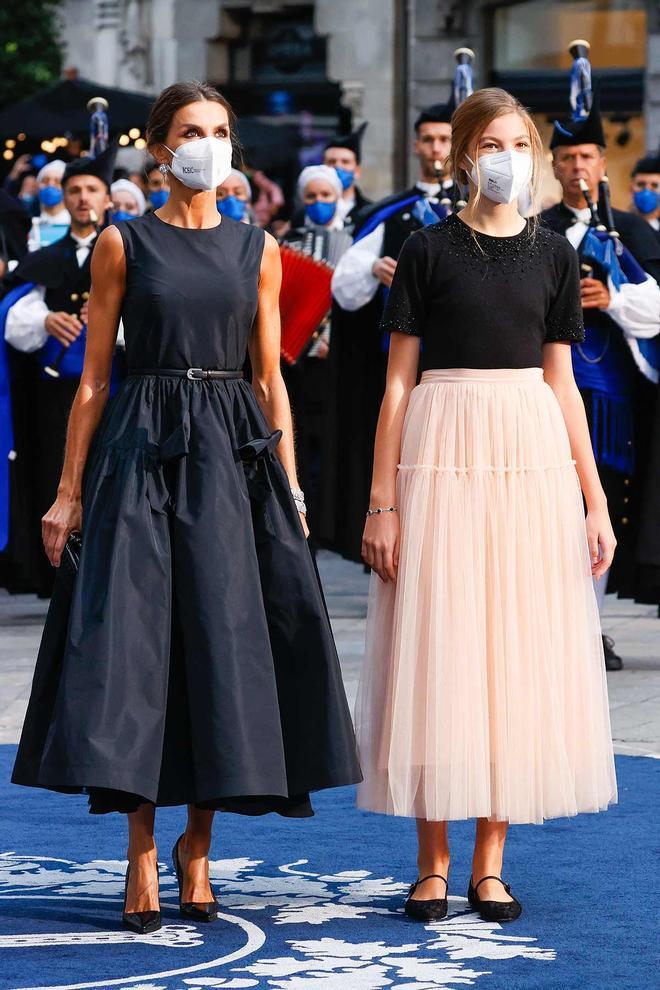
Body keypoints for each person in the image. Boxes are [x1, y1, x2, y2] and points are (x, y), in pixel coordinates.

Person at [12, 80, 360, 935]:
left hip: (233, 456)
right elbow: (94, 377)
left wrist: (294, 488)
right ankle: (138, 849)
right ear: (162, 148)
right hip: (141, 447)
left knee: (220, 640)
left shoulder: (259, 249)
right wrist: (66, 492)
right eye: (192, 131)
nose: (209, 144)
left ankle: (196, 848)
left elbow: (271, 376)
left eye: (221, 131)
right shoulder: (122, 244)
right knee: (135, 648)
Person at [356, 87, 617, 925]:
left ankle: (489, 863)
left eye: (520, 144)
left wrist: (594, 500)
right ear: (466, 153)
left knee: (512, 652)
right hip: (440, 450)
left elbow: (565, 384)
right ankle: (431, 863)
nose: (509, 157)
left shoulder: (552, 255)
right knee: (440, 645)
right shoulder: (426, 248)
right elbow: (395, 388)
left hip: (529, 458)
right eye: (493, 143)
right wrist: (381, 502)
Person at [542, 98, 660, 668]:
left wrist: (614, 297)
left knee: (603, 502)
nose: (577, 167)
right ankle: (557, 622)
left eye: (586, 155)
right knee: (550, 508)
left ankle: (590, 624)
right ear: (555, 166)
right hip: (549, 392)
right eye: (566, 158)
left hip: (615, 398)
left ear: (602, 162)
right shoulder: (536, 229)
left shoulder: (632, 229)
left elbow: (658, 307)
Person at [322, 101, 456, 564]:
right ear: (416, 145)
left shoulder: (478, 211)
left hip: (464, 360)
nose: (437, 148)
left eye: (445, 139)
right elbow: (346, 288)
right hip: (401, 358)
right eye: (430, 139)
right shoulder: (394, 215)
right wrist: (377, 269)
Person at [0, 144, 124, 598]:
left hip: (118, 388)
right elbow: (14, 315)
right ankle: (59, 571)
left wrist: (113, 317)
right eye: (74, 190)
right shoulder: (45, 259)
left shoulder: (128, 251)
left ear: (107, 198)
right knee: (61, 471)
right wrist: (46, 319)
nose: (83, 198)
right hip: (58, 394)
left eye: (92, 189)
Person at [280, 165, 353, 535]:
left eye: (326, 196)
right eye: (311, 196)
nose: (319, 203)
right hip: (294, 363)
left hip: (333, 362)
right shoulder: (286, 242)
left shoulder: (352, 243)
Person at [28, 160, 71, 250]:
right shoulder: (29, 226)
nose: (50, 185)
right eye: (45, 180)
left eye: (57, 181)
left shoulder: (75, 225)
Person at [630, 152, 660, 241]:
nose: (647, 191)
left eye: (654, 185)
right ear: (631, 188)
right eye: (641, 184)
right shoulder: (618, 227)